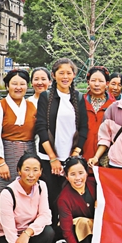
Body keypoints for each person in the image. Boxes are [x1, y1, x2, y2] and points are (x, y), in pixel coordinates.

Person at [35, 58, 88, 219]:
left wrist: (75, 154)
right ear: (54, 75)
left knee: (70, 198)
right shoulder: (45, 97)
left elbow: (83, 128)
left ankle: (68, 230)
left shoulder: (78, 98)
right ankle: (51, 230)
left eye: (69, 73)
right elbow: (41, 128)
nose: (65, 77)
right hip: (49, 158)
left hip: (71, 158)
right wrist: (53, 158)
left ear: (74, 75)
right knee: (51, 198)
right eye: (61, 73)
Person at [0, 154, 54, 243]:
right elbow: (10, 234)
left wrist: (27, 233)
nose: (31, 175)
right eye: (27, 169)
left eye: (35, 170)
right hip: (7, 238)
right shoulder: (7, 194)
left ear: (40, 172)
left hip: (27, 234)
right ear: (19, 171)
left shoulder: (41, 186)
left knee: (48, 232)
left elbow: (45, 216)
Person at [0, 69, 37, 194]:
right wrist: (1, 162)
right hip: (6, 155)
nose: (18, 87)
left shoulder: (32, 106)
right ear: (7, 86)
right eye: (14, 84)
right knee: (3, 192)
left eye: (22, 84)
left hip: (29, 154)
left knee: (27, 191)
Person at [57, 157, 97, 243]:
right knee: (83, 223)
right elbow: (67, 231)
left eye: (81, 173)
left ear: (87, 173)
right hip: (76, 234)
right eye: (73, 174)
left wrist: (100, 201)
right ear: (66, 176)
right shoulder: (64, 198)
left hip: (95, 228)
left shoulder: (94, 184)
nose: (78, 178)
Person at [82, 66, 114, 162]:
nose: (96, 84)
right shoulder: (80, 102)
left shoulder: (114, 105)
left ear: (107, 83)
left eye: (100, 81)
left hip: (106, 158)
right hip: (82, 154)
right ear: (88, 82)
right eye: (93, 81)